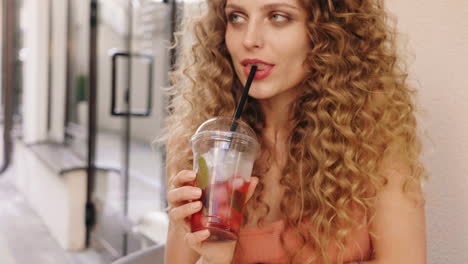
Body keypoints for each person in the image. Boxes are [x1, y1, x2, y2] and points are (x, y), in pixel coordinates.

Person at [162, 0, 426, 263]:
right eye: (237, 17)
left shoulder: (376, 145)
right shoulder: (200, 146)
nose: (249, 39)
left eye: (278, 17)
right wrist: (215, 258)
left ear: (327, 32)